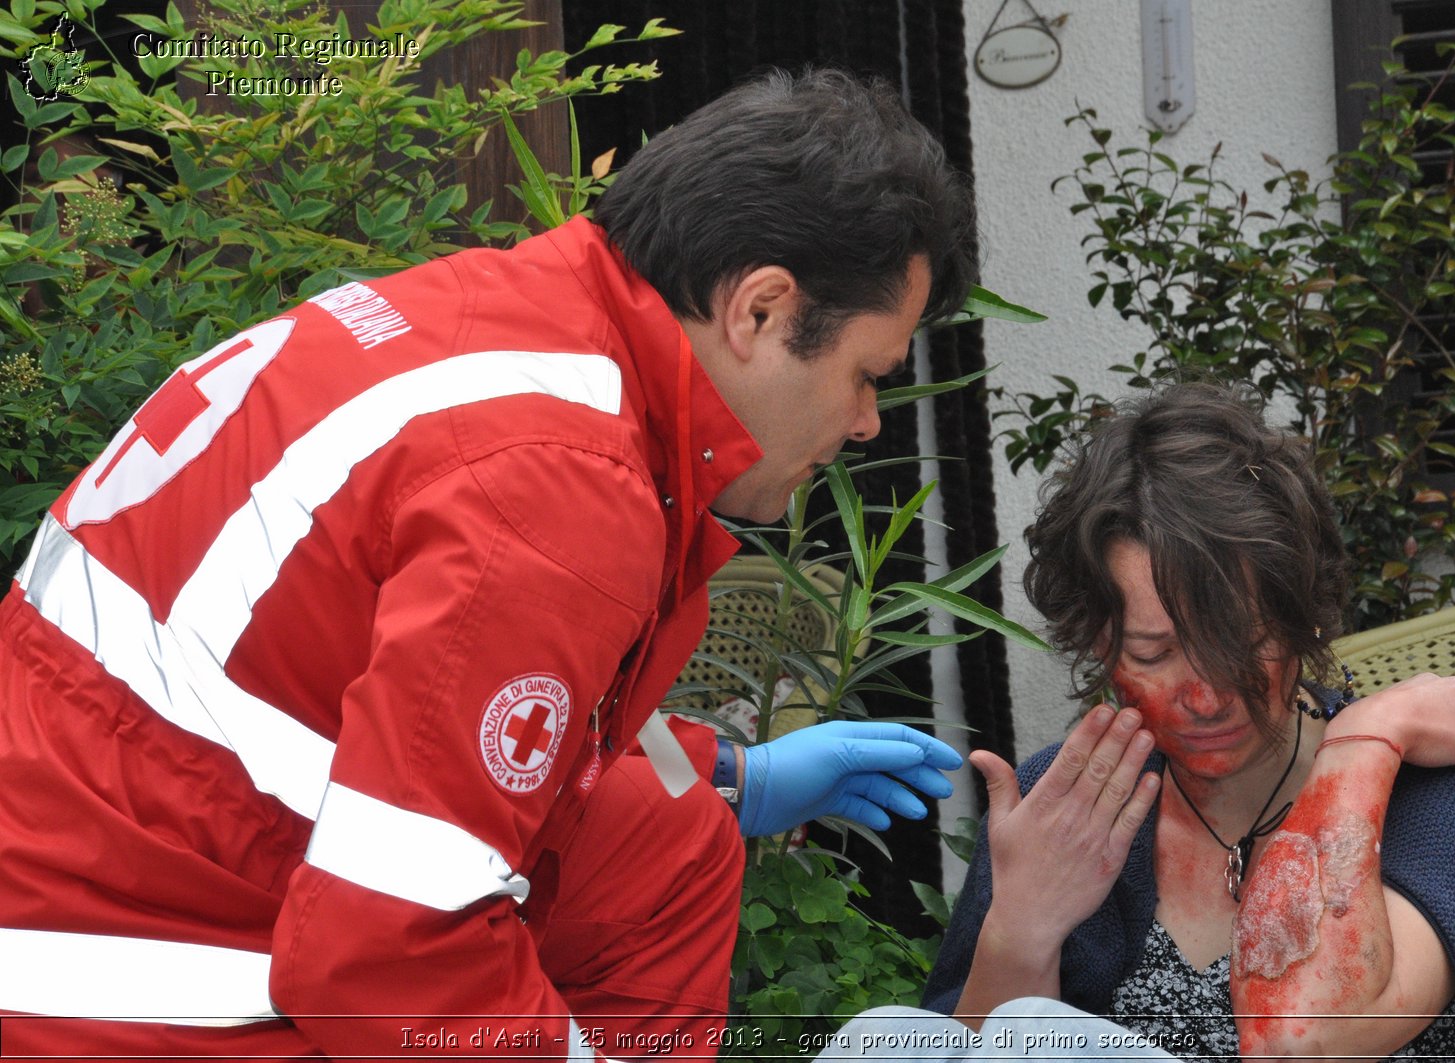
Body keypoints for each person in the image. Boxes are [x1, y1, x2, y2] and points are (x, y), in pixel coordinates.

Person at [0, 69, 974, 1059]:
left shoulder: (503, 317)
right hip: (120, 987)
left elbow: (403, 689)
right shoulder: (556, 491)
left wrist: (725, 771)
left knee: (665, 826)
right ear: (760, 310)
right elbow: (393, 951)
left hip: (104, 827)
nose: (864, 425)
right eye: (866, 375)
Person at [924, 383, 1455, 1060]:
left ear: (1303, 614)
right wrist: (1019, 929)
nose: (1208, 697)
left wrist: (1362, 742)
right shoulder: (1062, 810)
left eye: (1242, 643)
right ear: (1097, 641)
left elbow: (1299, 1039)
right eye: (1154, 652)